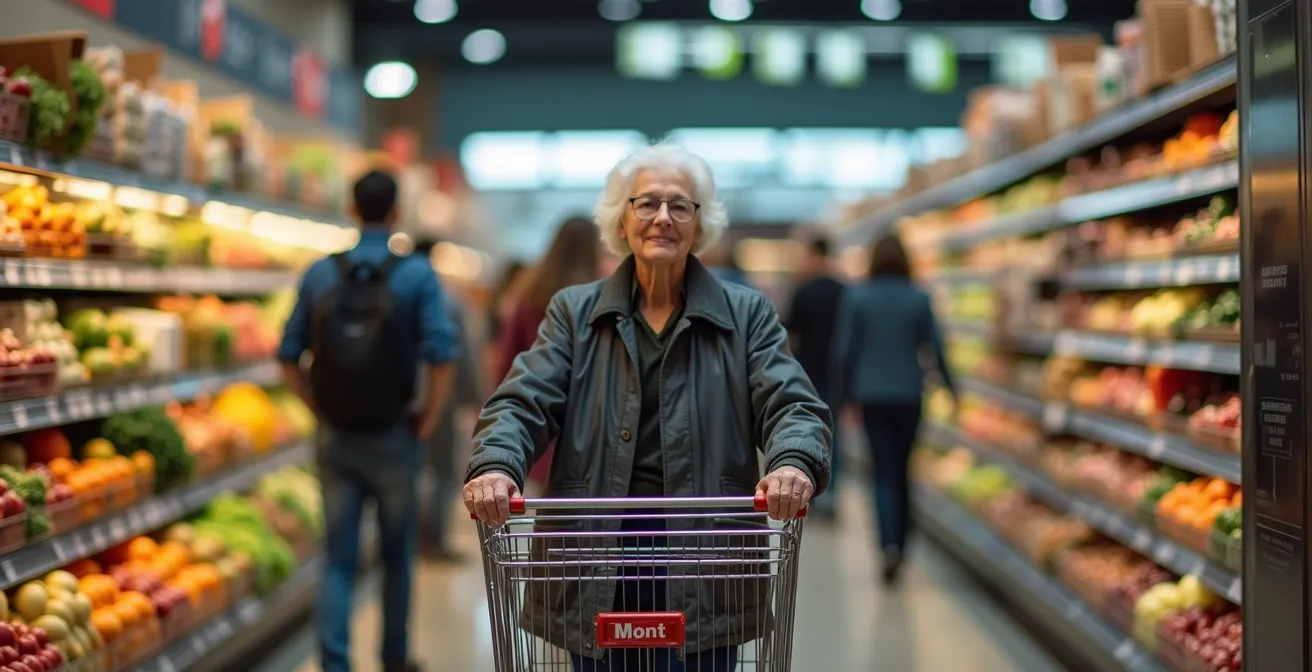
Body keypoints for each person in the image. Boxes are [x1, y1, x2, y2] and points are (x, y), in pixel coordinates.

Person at [463, 143, 832, 672]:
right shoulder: (574, 313)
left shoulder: (746, 315)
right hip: (594, 555)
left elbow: (791, 401)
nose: (662, 217)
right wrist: (496, 466)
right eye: (646, 203)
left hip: (707, 557)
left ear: (700, 223)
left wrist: (793, 461)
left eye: (680, 205)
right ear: (622, 217)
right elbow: (523, 401)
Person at [278, 171, 459, 672]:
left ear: (352, 210)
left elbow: (288, 353)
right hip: (396, 433)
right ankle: (393, 658)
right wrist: (428, 418)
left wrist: (317, 407)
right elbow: (443, 353)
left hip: (336, 436)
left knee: (338, 557)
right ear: (397, 213)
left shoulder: (319, 273)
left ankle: (335, 663)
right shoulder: (417, 274)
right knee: (397, 553)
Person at [830, 233, 956, 587]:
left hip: (871, 395)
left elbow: (844, 351)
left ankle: (887, 545)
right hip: (909, 395)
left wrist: (842, 398)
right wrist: (950, 387)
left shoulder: (858, 297)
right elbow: (936, 348)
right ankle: (903, 543)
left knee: (882, 472)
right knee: (903, 470)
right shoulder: (919, 297)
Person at [495, 216, 602, 491]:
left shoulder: (529, 293)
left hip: (536, 423)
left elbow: (507, 361)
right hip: (589, 430)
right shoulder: (603, 299)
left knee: (540, 521)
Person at [413, 238, 485, 561]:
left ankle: (410, 538)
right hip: (440, 396)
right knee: (442, 471)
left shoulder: (397, 292)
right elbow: (462, 355)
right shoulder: (448, 300)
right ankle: (434, 541)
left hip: (399, 398)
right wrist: (474, 397)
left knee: (411, 469)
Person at [784, 235, 846, 521]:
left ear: (814, 254)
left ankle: (816, 492)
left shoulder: (803, 291)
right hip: (836, 373)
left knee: (813, 428)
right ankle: (833, 493)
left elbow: (790, 335)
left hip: (808, 373)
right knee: (836, 433)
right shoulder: (843, 290)